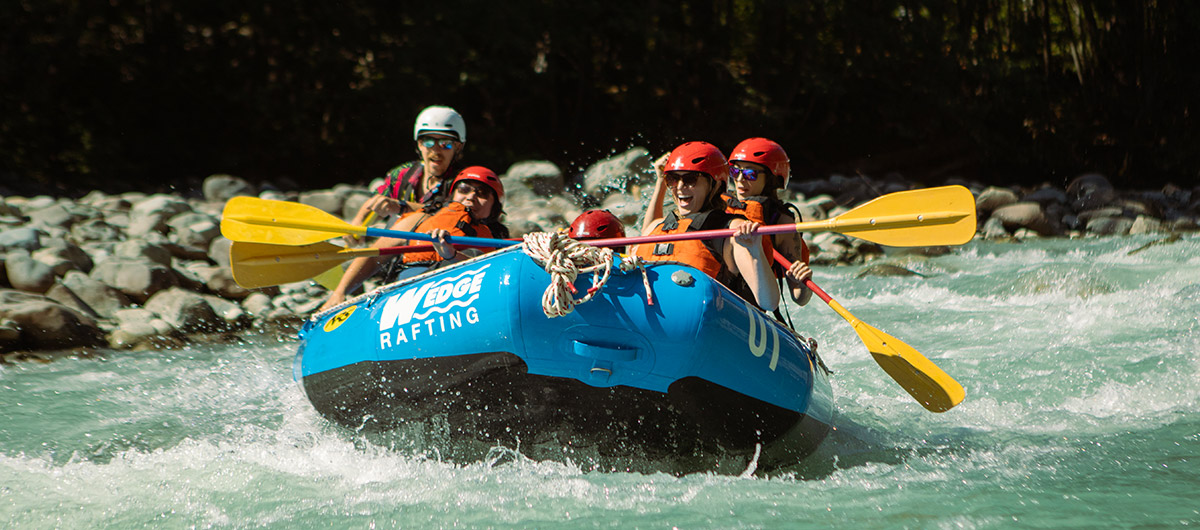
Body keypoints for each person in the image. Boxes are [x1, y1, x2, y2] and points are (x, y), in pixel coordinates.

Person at [319, 166, 507, 311]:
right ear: (453, 195)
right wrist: (340, 293)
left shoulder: (499, 241)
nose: (471, 197)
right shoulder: (421, 218)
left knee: (474, 253)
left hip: (466, 295)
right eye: (464, 189)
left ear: (495, 205)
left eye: (482, 193)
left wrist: (451, 256)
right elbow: (374, 256)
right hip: (411, 292)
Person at [632, 142, 780, 311]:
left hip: (707, 324)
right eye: (673, 179)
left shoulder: (731, 231)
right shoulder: (658, 226)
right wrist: (660, 180)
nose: (680, 187)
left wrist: (754, 252)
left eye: (690, 179)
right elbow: (645, 235)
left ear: (715, 185)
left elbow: (769, 302)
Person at [348, 105, 469, 230]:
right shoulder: (402, 173)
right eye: (428, 141)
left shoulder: (465, 182)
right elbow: (376, 201)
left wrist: (401, 207)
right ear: (419, 144)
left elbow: (453, 216)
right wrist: (357, 223)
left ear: (458, 147)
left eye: (445, 143)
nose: (436, 151)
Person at [725, 138, 813, 306]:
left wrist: (803, 283)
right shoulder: (720, 205)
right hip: (714, 295)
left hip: (750, 307)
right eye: (735, 172)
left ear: (771, 179)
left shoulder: (781, 222)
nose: (740, 180)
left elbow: (799, 298)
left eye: (751, 174)